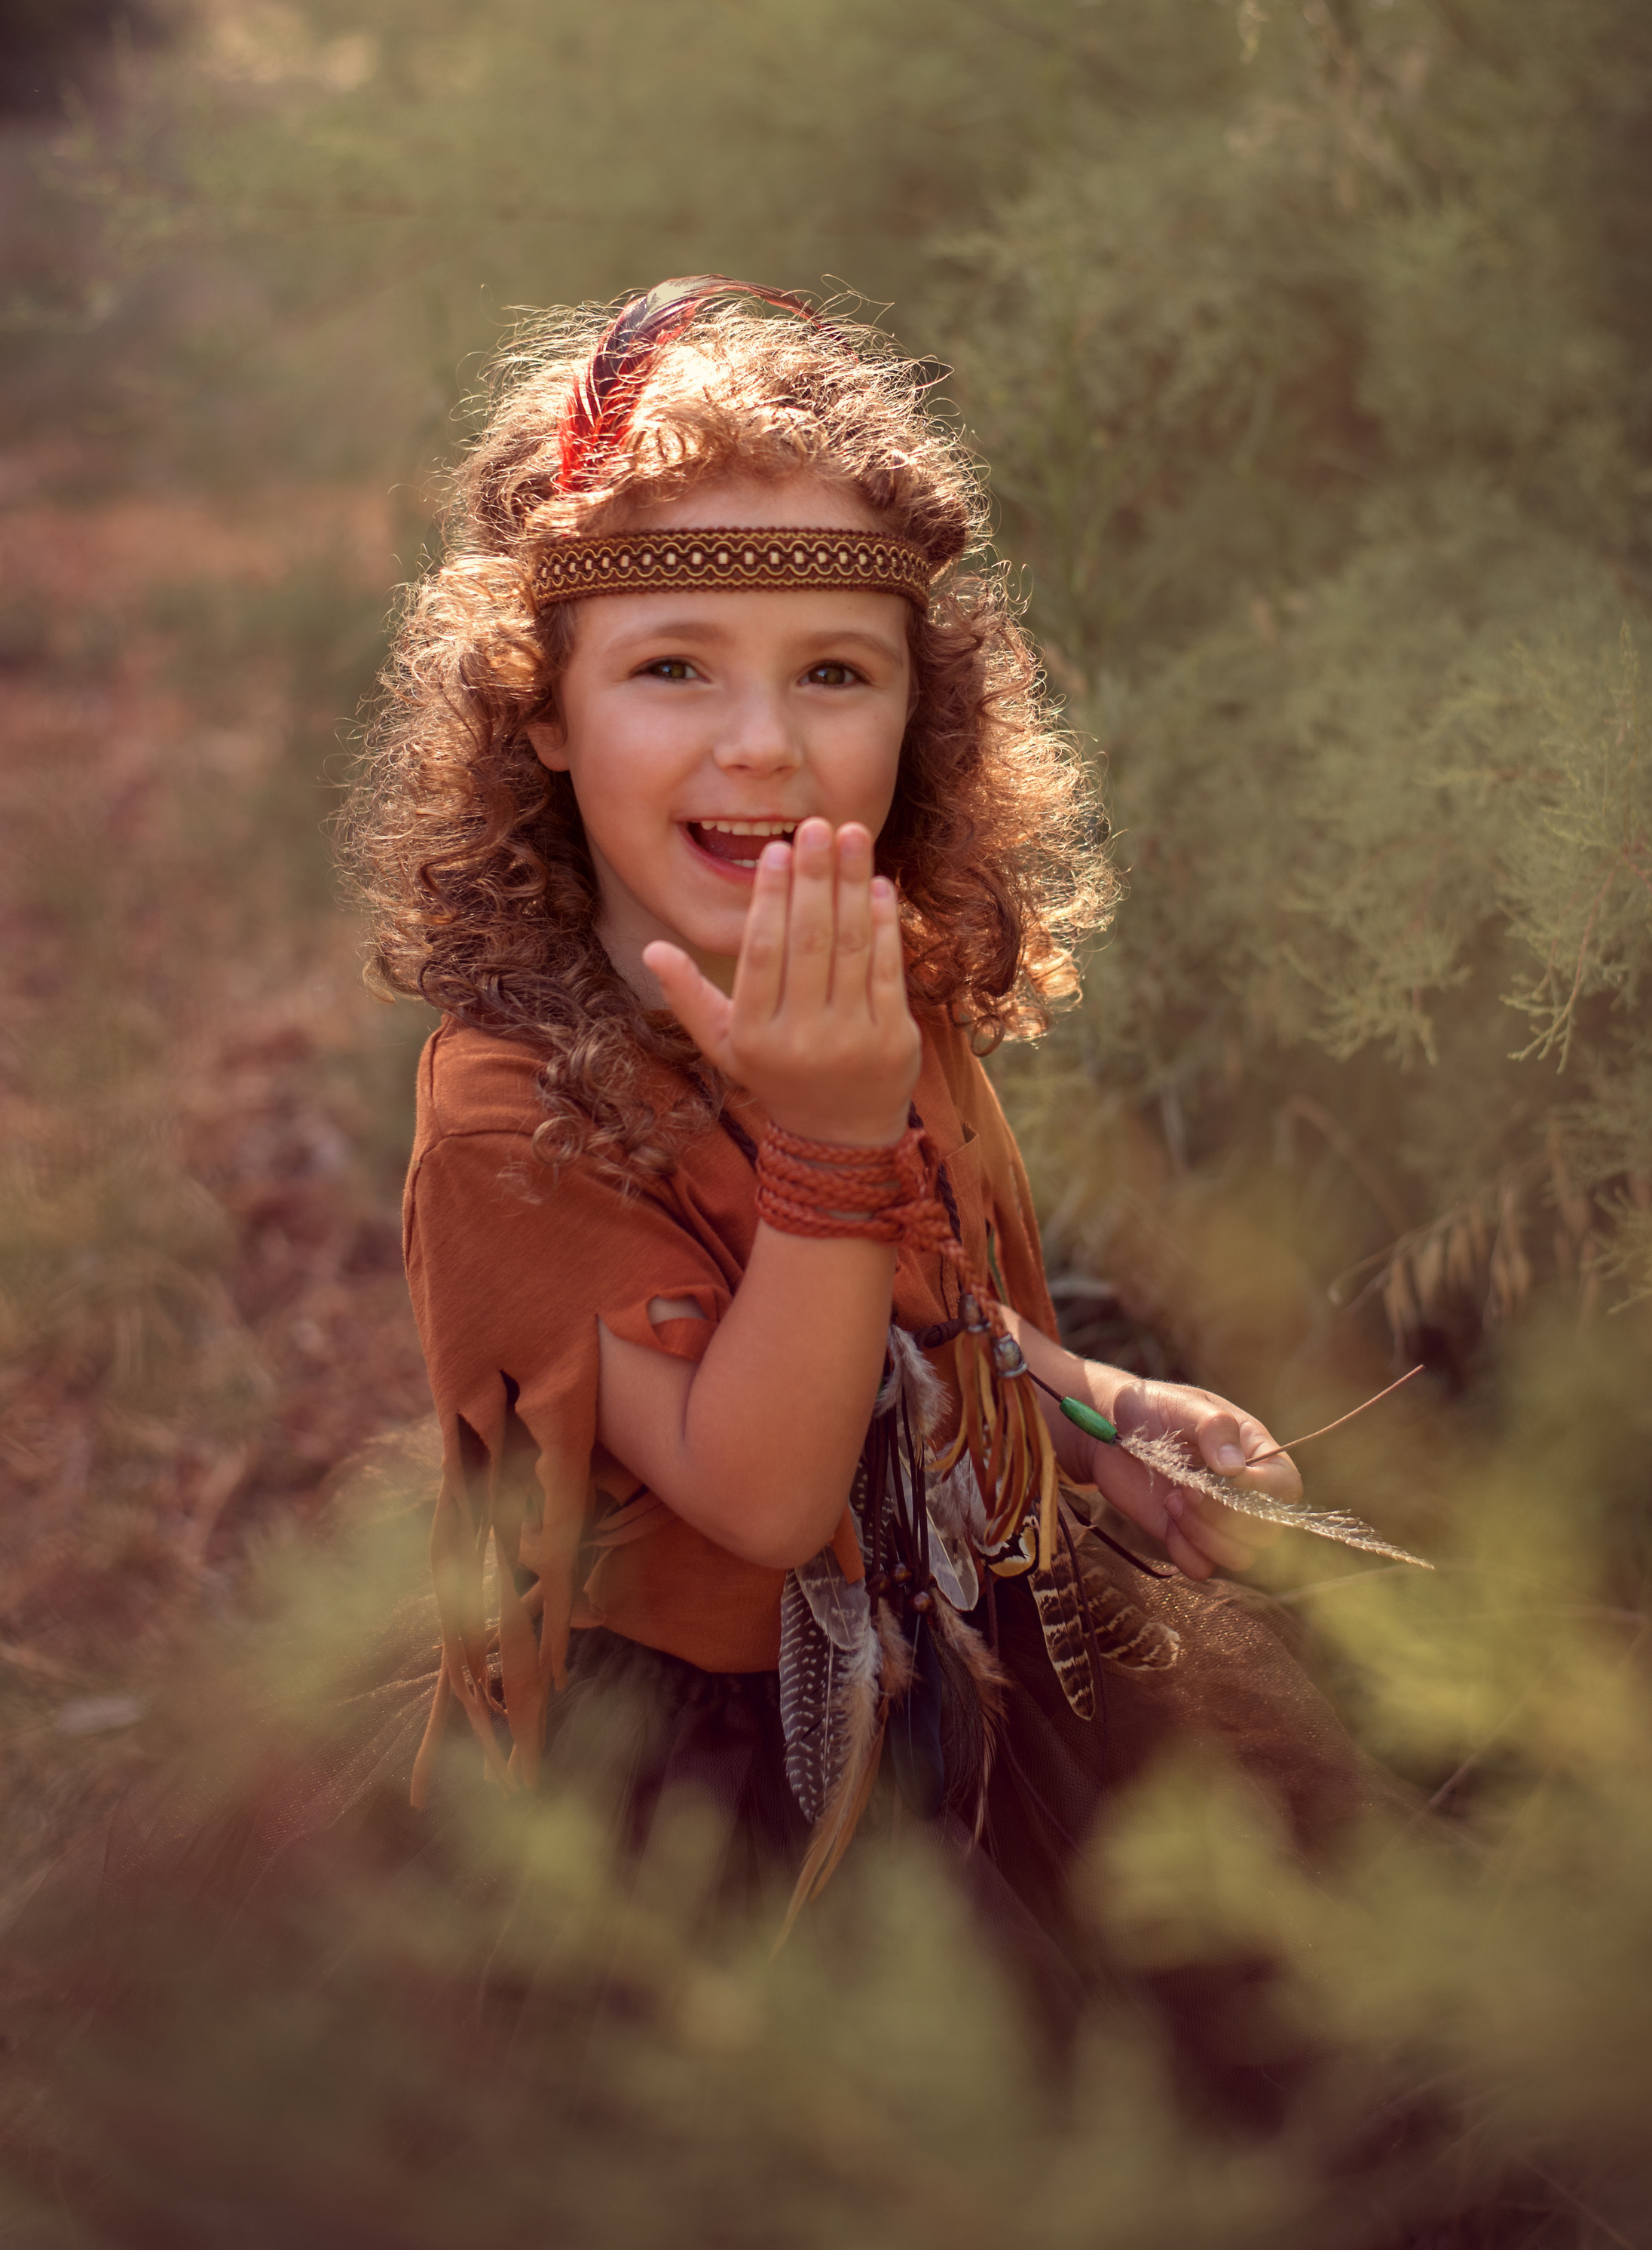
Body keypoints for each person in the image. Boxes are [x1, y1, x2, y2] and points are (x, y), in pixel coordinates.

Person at [348, 277, 1380, 2023]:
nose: (762, 742)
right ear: (538, 709)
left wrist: (1093, 1407)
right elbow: (756, 1493)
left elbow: (930, 1315)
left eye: (834, 672)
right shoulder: (508, 1113)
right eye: (671, 669)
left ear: (922, 721)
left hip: (962, 1674)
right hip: (708, 1808)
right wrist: (830, 1142)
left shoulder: (865, 988)